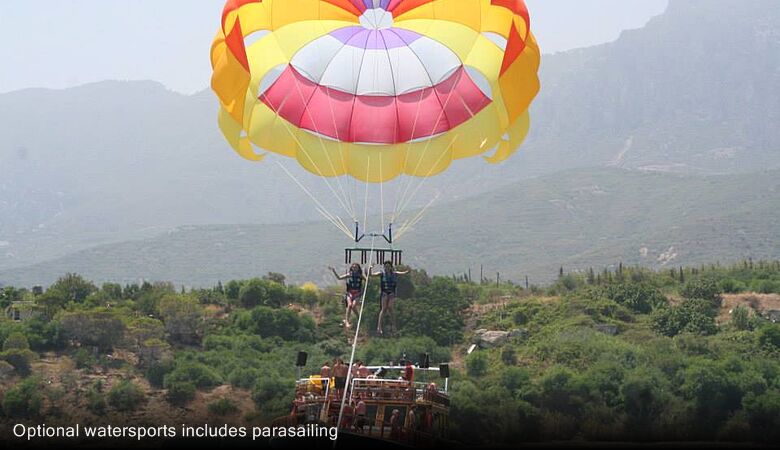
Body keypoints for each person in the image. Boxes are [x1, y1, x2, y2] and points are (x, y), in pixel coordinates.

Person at [370, 261, 409, 336]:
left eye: (388, 266)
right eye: (385, 266)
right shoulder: (381, 274)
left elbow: (404, 273)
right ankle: (379, 326)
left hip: (391, 293)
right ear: (384, 267)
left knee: (390, 308)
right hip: (384, 293)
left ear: (391, 267)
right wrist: (370, 268)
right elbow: (371, 275)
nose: (387, 268)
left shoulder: (395, 273)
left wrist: (407, 271)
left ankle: (394, 326)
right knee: (384, 309)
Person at [330, 264, 366, 329]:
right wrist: (334, 271)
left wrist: (366, 274)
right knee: (349, 305)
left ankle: (359, 317)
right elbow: (339, 278)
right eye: (353, 267)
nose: (354, 268)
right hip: (350, 293)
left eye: (356, 267)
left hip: (357, 293)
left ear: (358, 268)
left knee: (353, 306)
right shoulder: (349, 274)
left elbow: (367, 281)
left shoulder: (360, 276)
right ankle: (347, 321)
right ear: (351, 268)